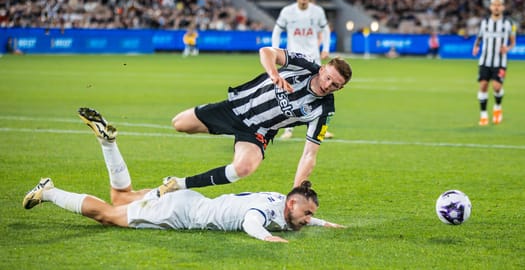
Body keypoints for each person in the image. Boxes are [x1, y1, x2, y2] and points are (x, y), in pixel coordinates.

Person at [22, 108, 343, 243]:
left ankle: (108, 144)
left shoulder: (281, 200)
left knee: (121, 197)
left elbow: (298, 214)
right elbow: (251, 223)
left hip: (189, 200)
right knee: (107, 214)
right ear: (290, 205)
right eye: (306, 214)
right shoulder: (262, 213)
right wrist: (269, 238)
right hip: (178, 213)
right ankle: (48, 191)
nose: (307, 219)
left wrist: (325, 223)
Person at [164, 46, 352, 193]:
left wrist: (296, 191)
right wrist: (274, 74)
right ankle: (216, 124)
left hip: (257, 132)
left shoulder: (324, 109)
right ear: (321, 70)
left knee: (243, 168)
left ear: (340, 88)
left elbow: (310, 154)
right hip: (236, 107)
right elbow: (267, 52)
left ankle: (179, 184)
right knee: (179, 124)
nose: (328, 86)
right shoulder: (304, 65)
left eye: (335, 85)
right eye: (328, 78)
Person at [271, 0, 333, 139]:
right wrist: (274, 51)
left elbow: (325, 30)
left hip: (313, 58)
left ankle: (320, 128)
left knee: (320, 93)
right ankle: (288, 129)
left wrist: (326, 48)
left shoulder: (317, 11)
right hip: (294, 59)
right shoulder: (287, 11)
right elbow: (277, 31)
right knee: (289, 93)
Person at [472, 0, 516, 126]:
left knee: (497, 87)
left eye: (499, 5)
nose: (496, 7)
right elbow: (479, 36)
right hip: (485, 60)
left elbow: (513, 42)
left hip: (500, 61)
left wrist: (507, 48)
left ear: (503, 7)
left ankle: (497, 107)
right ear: (490, 7)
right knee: (483, 86)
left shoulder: (509, 23)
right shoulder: (484, 21)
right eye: (494, 5)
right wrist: (476, 46)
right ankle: (483, 114)